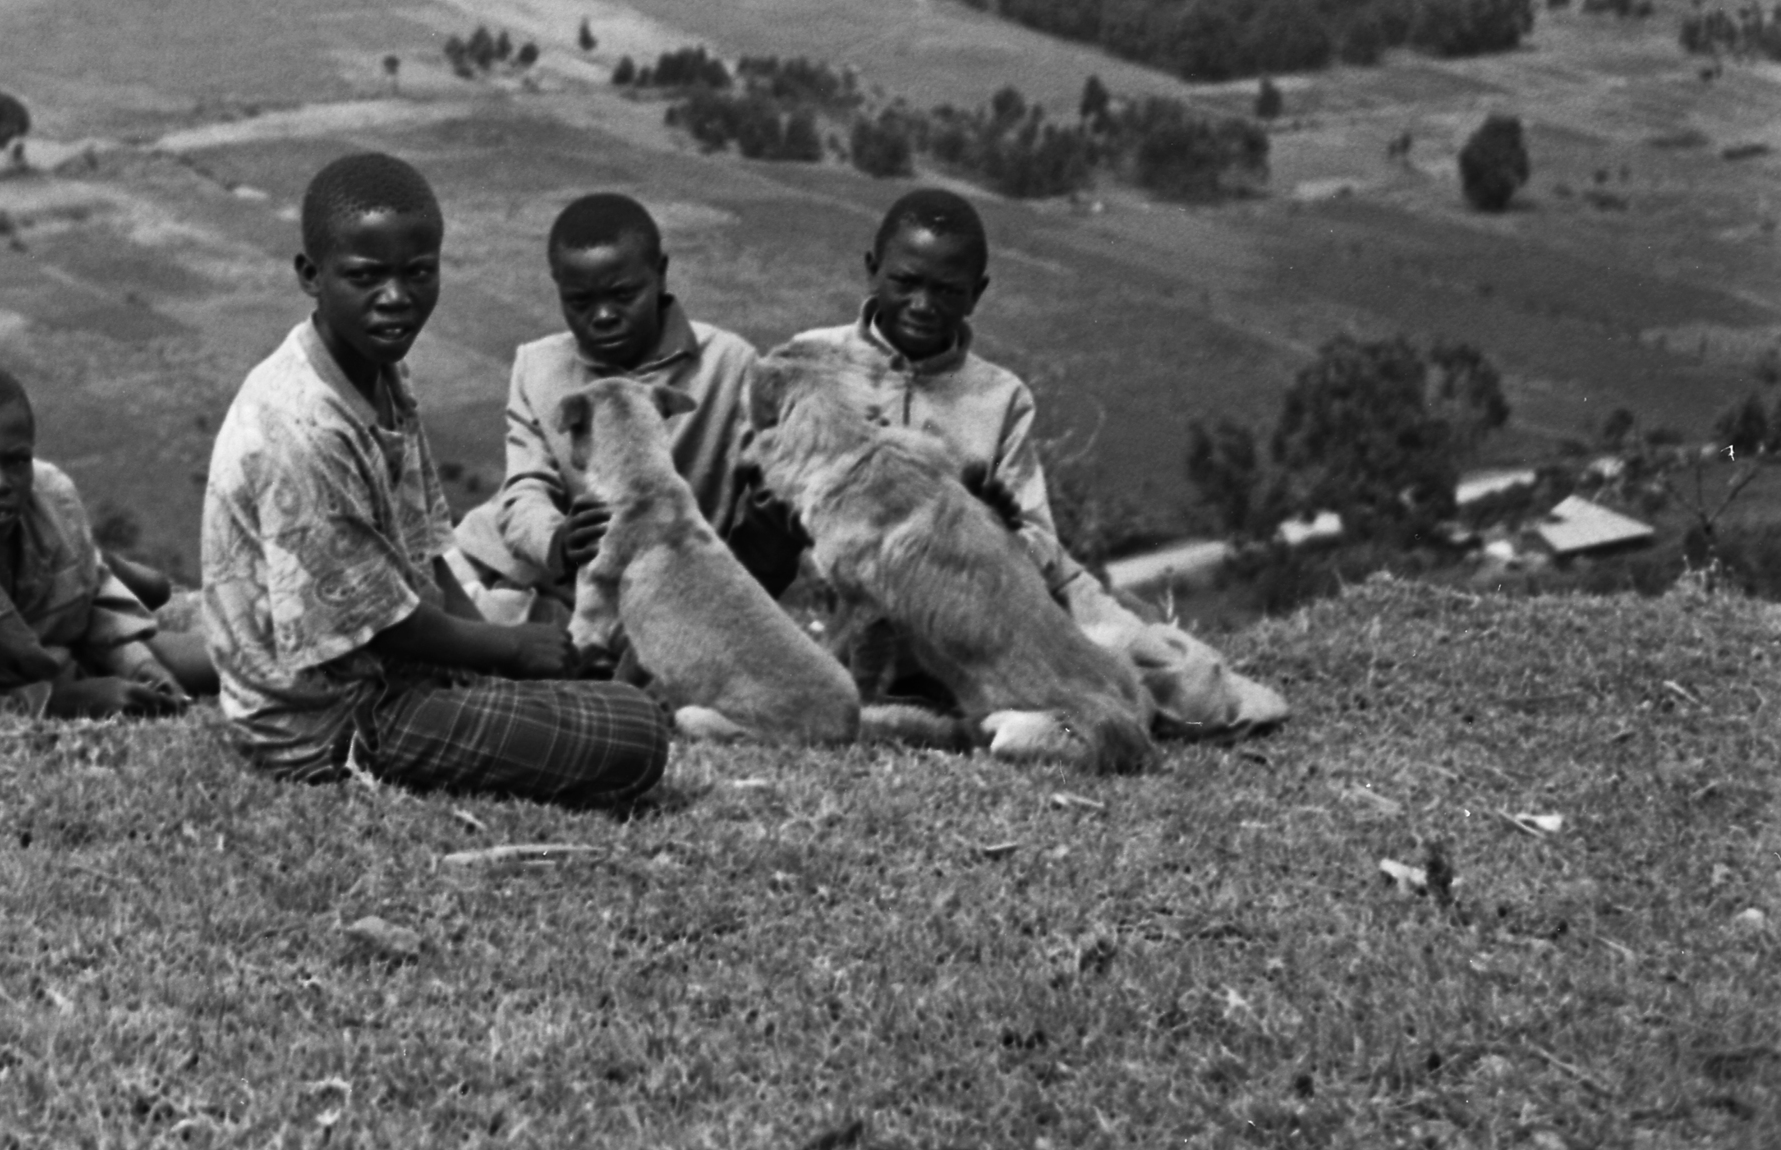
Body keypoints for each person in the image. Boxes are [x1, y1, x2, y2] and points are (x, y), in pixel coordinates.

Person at [198, 152, 670, 802]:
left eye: (418, 273)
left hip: (398, 672)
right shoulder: (301, 429)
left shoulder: (381, 368)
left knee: (582, 659)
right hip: (327, 721)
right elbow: (379, 622)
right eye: (365, 276)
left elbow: (425, 550)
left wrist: (499, 655)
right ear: (311, 275)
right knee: (636, 735)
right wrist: (505, 652)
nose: (396, 298)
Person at [787, 187, 1286, 736]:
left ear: (976, 295)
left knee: (1182, 680)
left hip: (1013, 605)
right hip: (865, 609)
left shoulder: (1000, 397)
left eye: (947, 290)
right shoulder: (811, 363)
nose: (924, 304)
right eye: (905, 282)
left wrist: (982, 533)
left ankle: (1107, 691)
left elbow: (1039, 542)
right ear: (872, 270)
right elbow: (774, 500)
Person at [462, 192, 799, 618]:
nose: (603, 316)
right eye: (579, 302)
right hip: (542, 579)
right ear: (558, 287)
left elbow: (779, 501)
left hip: (669, 602)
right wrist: (557, 540)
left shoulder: (730, 366)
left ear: (659, 275)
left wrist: (733, 596)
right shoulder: (538, 366)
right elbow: (525, 487)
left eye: (623, 295)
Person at [0, 359, 214, 716]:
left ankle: (107, 568)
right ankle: (113, 571)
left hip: (45, 637)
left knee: (177, 616)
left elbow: (90, 613)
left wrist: (139, 667)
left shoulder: (48, 491)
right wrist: (63, 702)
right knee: (145, 597)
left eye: (16, 461)